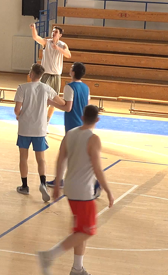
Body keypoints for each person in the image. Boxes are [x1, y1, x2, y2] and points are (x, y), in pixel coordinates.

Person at [37, 106, 114, 275]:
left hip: (70, 189)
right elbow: (97, 169)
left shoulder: (70, 134)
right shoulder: (93, 139)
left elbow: (60, 160)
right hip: (83, 191)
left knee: (80, 230)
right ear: (97, 120)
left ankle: (77, 268)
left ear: (82, 117)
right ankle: (49, 255)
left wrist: (58, 182)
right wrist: (108, 190)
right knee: (87, 230)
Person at [14, 63, 65, 202]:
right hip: (40, 128)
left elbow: (17, 109)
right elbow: (61, 102)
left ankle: (25, 186)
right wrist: (50, 103)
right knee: (41, 159)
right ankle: (43, 183)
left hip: (25, 128)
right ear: (42, 76)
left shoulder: (22, 88)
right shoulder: (46, 88)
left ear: (31, 74)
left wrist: (19, 115)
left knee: (23, 158)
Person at [48, 62, 90, 188]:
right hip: (83, 125)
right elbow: (87, 107)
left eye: (71, 68)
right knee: (76, 156)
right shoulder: (86, 87)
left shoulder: (69, 87)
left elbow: (68, 108)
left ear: (73, 72)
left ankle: (59, 180)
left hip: (72, 125)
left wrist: (51, 102)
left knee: (63, 155)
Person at [30, 24, 71, 125]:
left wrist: (58, 48)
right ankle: (39, 119)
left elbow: (68, 55)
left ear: (60, 35)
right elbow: (36, 37)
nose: (53, 33)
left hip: (56, 75)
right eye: (53, 31)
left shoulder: (63, 45)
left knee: (55, 100)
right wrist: (34, 28)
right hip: (46, 74)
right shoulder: (46, 42)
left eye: (56, 32)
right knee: (42, 98)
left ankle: (47, 121)